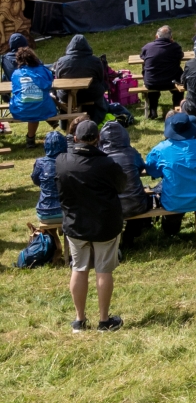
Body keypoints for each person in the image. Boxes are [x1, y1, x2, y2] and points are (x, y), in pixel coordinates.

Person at [55, 119, 127, 332]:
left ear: (75, 138)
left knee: (78, 269)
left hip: (76, 225)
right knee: (104, 270)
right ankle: (104, 321)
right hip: (104, 225)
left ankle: (79, 320)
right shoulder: (107, 164)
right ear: (98, 139)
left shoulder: (61, 161)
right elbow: (122, 184)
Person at [144, 112, 196, 226]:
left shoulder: (160, 149)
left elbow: (152, 170)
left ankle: (170, 228)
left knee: (173, 194)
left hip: (173, 201)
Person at [52, 34, 109, 123]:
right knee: (102, 87)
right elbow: (100, 78)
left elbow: (58, 78)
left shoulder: (61, 61)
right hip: (91, 94)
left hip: (66, 96)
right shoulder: (95, 61)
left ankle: (65, 120)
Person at [9, 43, 57, 144]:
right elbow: (50, 83)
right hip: (42, 109)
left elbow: (14, 89)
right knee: (38, 103)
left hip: (20, 110)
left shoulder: (16, 74)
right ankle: (31, 138)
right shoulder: (43, 70)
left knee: (32, 103)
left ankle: (30, 139)